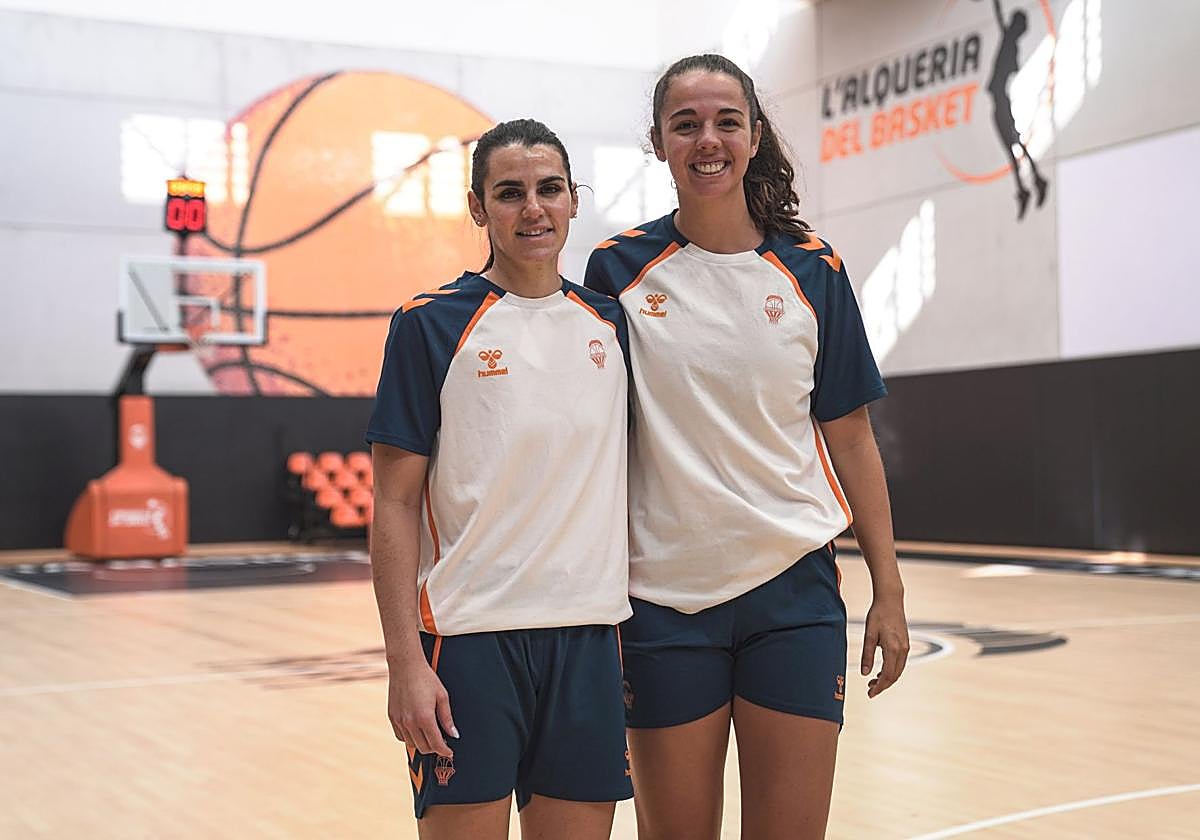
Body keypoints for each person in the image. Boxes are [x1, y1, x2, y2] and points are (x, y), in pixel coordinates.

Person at [584, 55, 910, 840]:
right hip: (663, 603)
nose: (708, 139)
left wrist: (889, 591)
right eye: (685, 124)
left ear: (755, 136)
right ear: (658, 143)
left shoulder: (813, 270)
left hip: (791, 597)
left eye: (727, 121)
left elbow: (853, 438)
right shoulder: (616, 271)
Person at [367, 118, 633, 840]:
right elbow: (392, 502)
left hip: (588, 637)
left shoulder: (611, 323)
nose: (534, 209)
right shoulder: (429, 325)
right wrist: (404, 664)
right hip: (468, 644)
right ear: (479, 209)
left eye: (550, 189)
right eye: (510, 193)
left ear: (574, 200)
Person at [985, 0, 1050, 219]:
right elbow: (998, 14)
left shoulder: (1011, 45)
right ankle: (1028, 186)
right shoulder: (1008, 41)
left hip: (1001, 100)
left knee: (1014, 145)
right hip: (999, 100)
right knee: (1013, 146)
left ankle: (1032, 184)